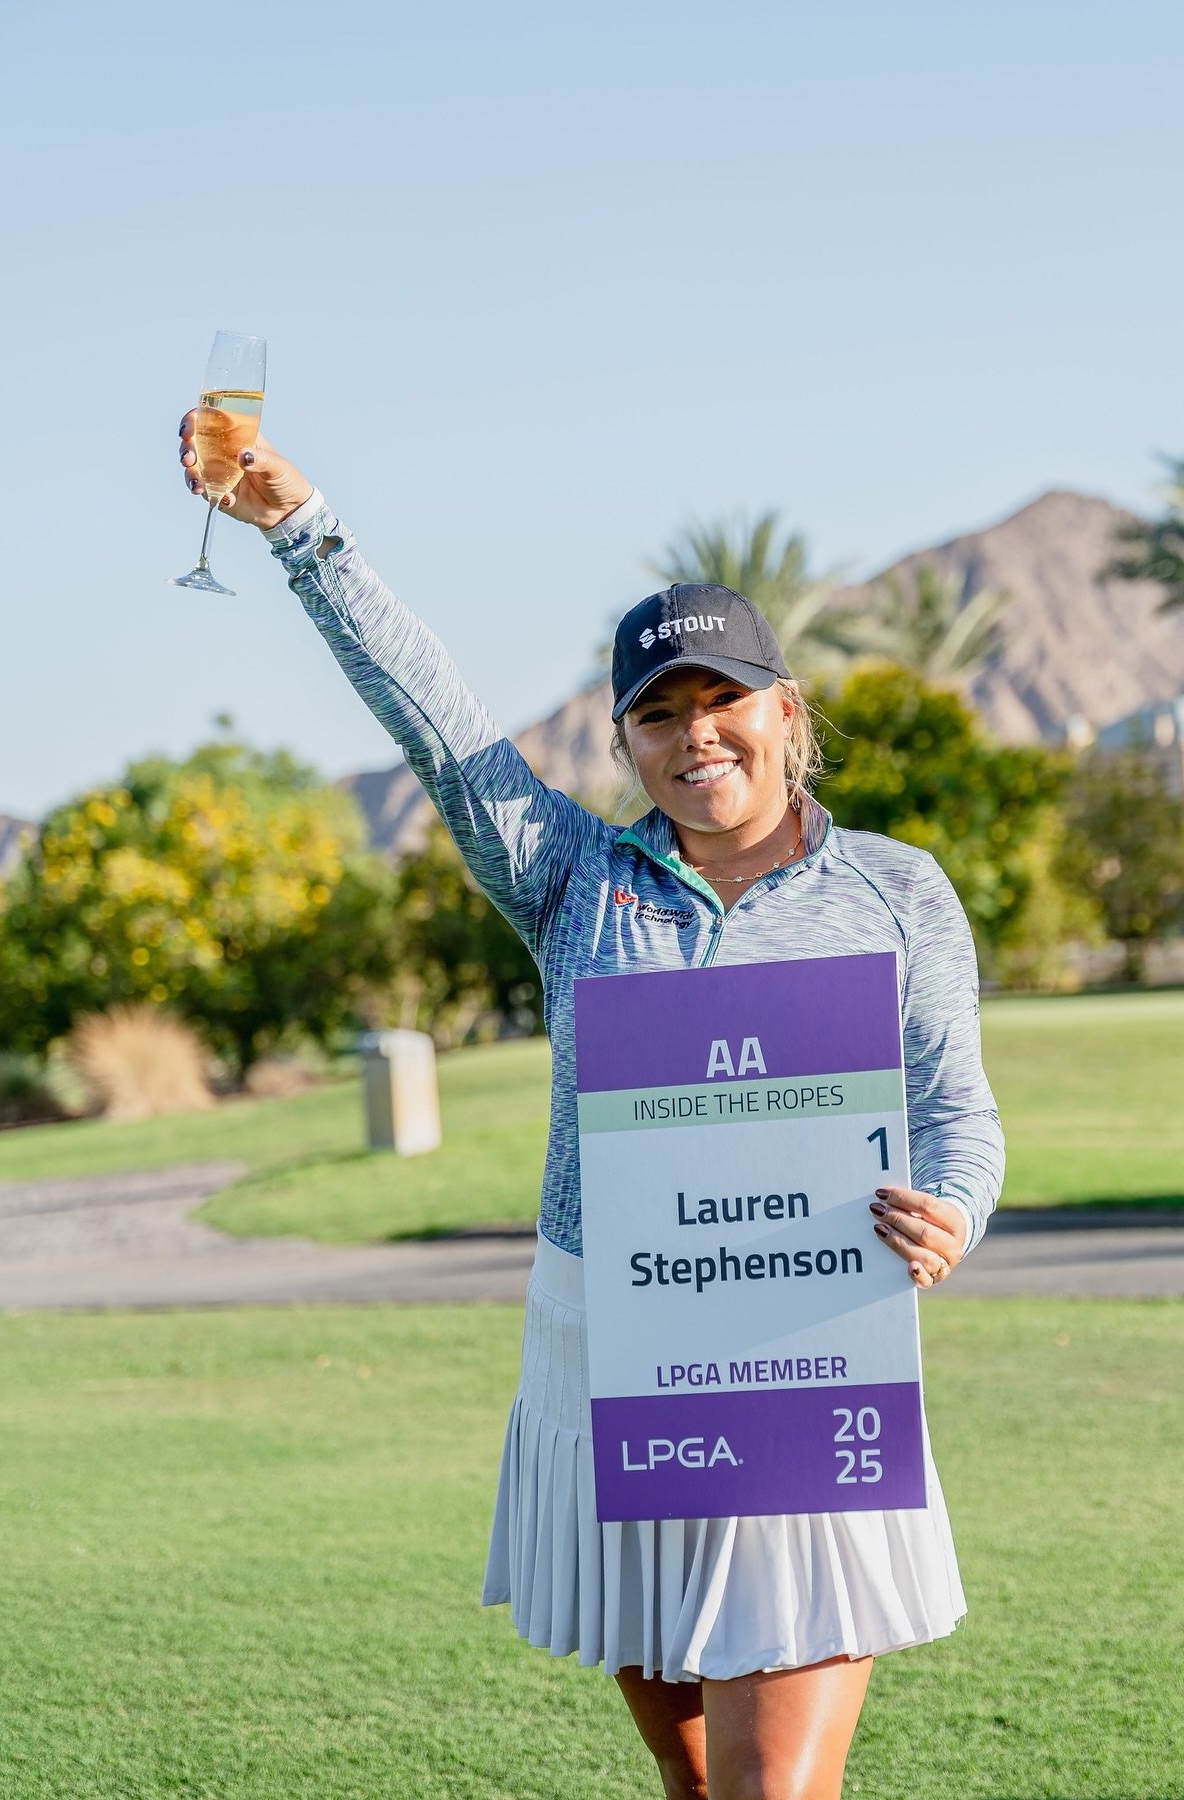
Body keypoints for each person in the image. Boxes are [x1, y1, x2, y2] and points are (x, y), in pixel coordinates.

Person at [177, 419, 1005, 1800]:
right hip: (612, 1340)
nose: (696, 736)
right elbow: (442, 730)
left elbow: (957, 1107)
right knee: (693, 1777)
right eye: (659, 713)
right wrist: (303, 531)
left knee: (764, 1792)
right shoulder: (577, 883)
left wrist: (955, 1209)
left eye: (723, 701)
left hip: (810, 1347)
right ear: (626, 738)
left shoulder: (896, 891)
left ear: (788, 714)